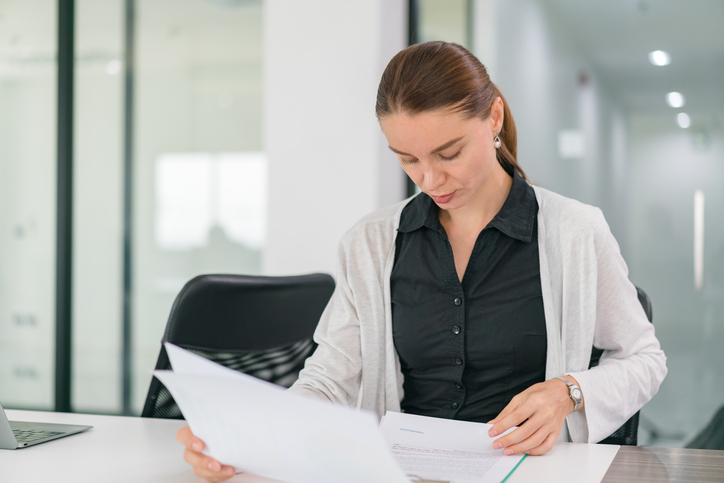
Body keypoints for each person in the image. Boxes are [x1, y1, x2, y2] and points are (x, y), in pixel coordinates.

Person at [176, 41, 667, 481]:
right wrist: (253, 441)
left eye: (448, 152)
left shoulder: (573, 232)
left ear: (493, 118)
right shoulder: (370, 243)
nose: (429, 179)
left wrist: (569, 392)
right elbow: (330, 379)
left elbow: (645, 359)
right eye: (407, 160)